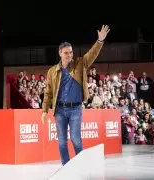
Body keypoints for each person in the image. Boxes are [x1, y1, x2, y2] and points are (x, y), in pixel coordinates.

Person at [41, 25, 110, 166]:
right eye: (66, 53)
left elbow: (92, 54)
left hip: (75, 110)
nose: (69, 55)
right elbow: (48, 93)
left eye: (71, 52)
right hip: (59, 110)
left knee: (76, 139)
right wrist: (44, 110)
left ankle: (81, 166)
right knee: (61, 141)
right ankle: (66, 167)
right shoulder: (52, 71)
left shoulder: (80, 63)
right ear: (60, 53)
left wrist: (100, 41)